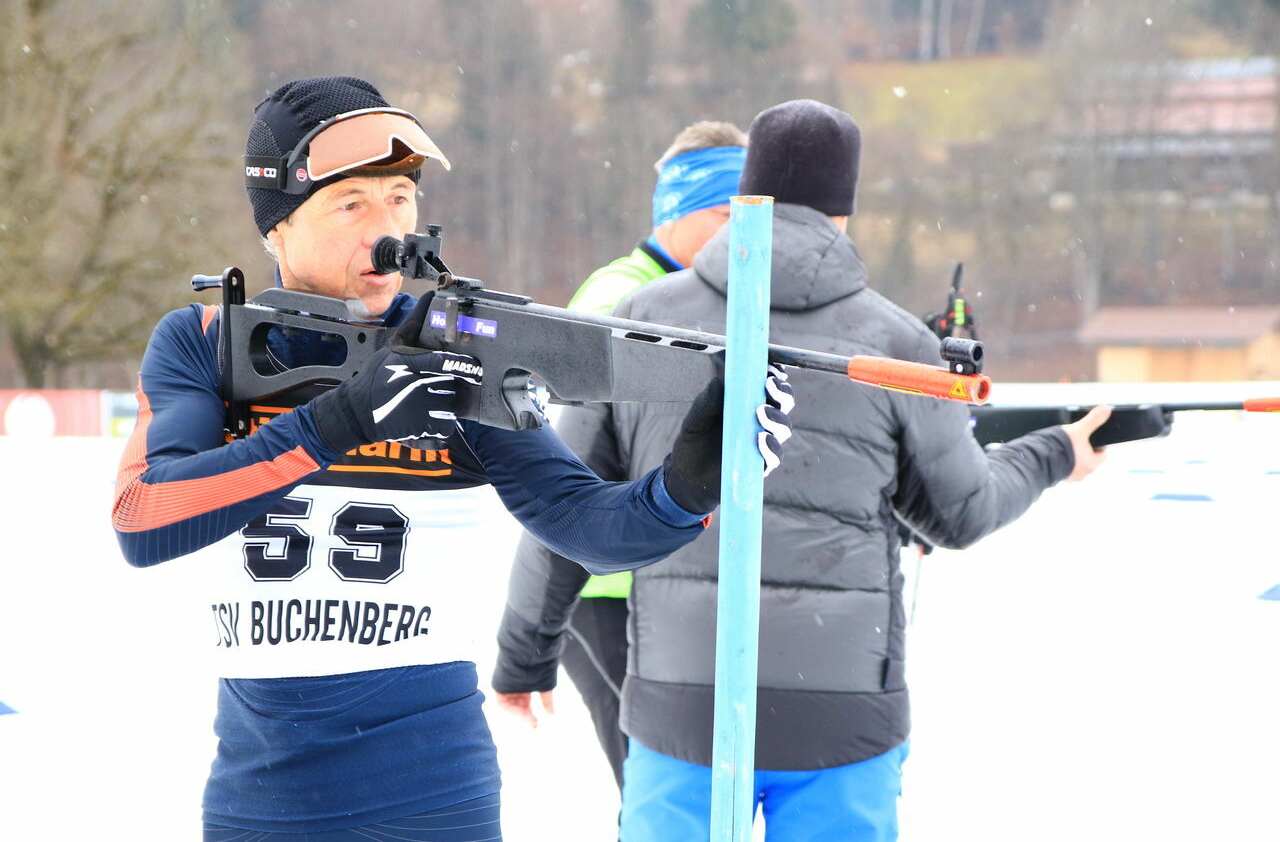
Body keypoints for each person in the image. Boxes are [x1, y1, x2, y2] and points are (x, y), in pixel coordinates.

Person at [110, 76, 792, 841]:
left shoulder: (451, 350)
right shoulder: (205, 343)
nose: (387, 231)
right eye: (351, 204)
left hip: (431, 799)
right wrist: (340, 422)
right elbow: (144, 519)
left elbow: (584, 525)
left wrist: (686, 487)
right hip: (258, 801)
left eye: (401, 199)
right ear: (277, 225)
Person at [490, 99, 1112, 842]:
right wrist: (1053, 451)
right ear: (843, 210)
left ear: (745, 191)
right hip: (841, 711)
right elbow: (962, 511)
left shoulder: (638, 317)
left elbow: (564, 507)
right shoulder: (897, 345)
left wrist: (524, 656)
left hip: (680, 703)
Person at [491, 120, 747, 789]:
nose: (743, 238)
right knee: (658, 786)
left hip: (676, 579)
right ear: (682, 210)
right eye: (727, 217)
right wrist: (528, 641)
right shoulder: (622, 295)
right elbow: (574, 468)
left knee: (695, 784)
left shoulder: (720, 297)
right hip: (607, 586)